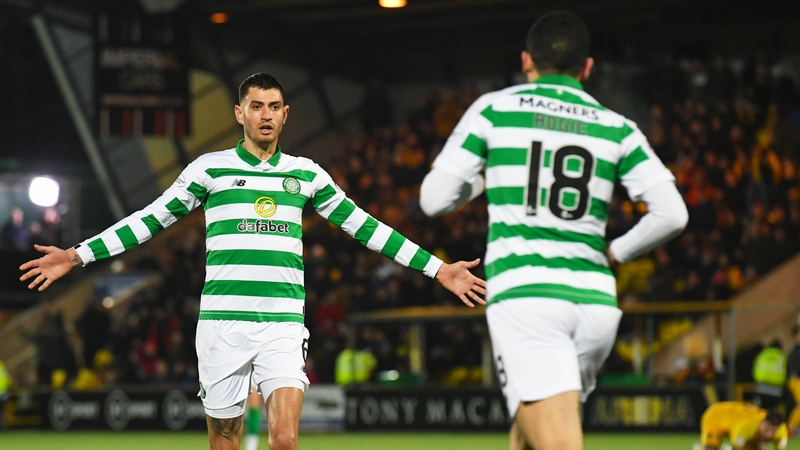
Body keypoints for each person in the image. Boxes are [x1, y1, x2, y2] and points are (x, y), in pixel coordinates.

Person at [20, 72, 486, 450]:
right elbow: (150, 220)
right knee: (226, 442)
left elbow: (367, 227)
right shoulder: (209, 169)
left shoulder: (306, 174)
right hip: (222, 325)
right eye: (256, 106)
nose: (265, 115)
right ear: (239, 113)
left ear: (286, 115)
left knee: (284, 439)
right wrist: (78, 254)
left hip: (282, 322)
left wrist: (438, 268)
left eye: (274, 107)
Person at [419, 11, 688, 450]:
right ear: (586, 68)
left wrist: (486, 176)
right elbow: (672, 214)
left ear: (527, 61)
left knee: (557, 441)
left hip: (529, 297)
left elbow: (434, 200)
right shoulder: (618, 127)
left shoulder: (494, 109)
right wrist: (616, 251)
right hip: (596, 305)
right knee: (531, 430)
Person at [696, 402, 787, 450]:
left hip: (739, 424)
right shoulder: (747, 426)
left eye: (772, 431)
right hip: (716, 416)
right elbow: (736, 448)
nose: (768, 435)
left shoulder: (781, 431)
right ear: (762, 422)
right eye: (766, 429)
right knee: (711, 448)